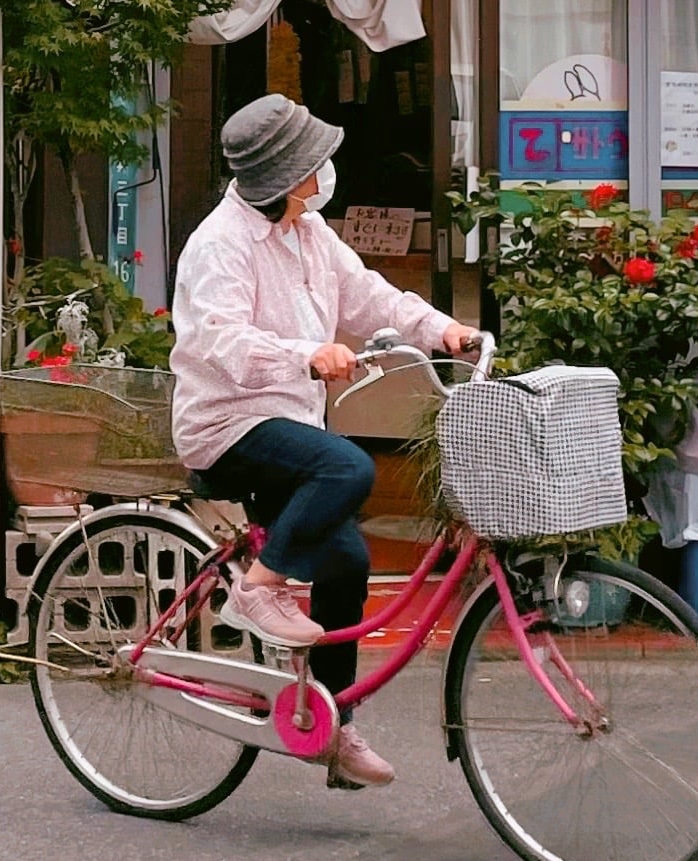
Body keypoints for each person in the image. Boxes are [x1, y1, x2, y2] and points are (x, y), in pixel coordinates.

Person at [169, 93, 476, 793]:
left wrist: (444, 329)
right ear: (286, 175)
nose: (326, 169)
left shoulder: (309, 233)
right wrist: (306, 353)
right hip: (227, 423)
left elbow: (371, 296)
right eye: (315, 161)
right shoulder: (221, 244)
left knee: (347, 562)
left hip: (291, 425)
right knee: (347, 466)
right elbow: (218, 339)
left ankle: (333, 724)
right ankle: (260, 589)